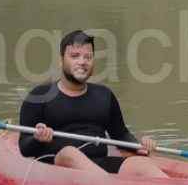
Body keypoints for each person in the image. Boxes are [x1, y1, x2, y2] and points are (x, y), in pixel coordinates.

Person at [18, 29, 169, 177]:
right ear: (61, 60)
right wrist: (38, 138)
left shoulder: (104, 95)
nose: (82, 62)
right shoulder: (39, 95)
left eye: (88, 57)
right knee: (70, 153)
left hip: (99, 164)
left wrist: (138, 147)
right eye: (75, 56)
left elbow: (121, 135)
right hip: (57, 166)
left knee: (140, 163)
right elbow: (24, 147)